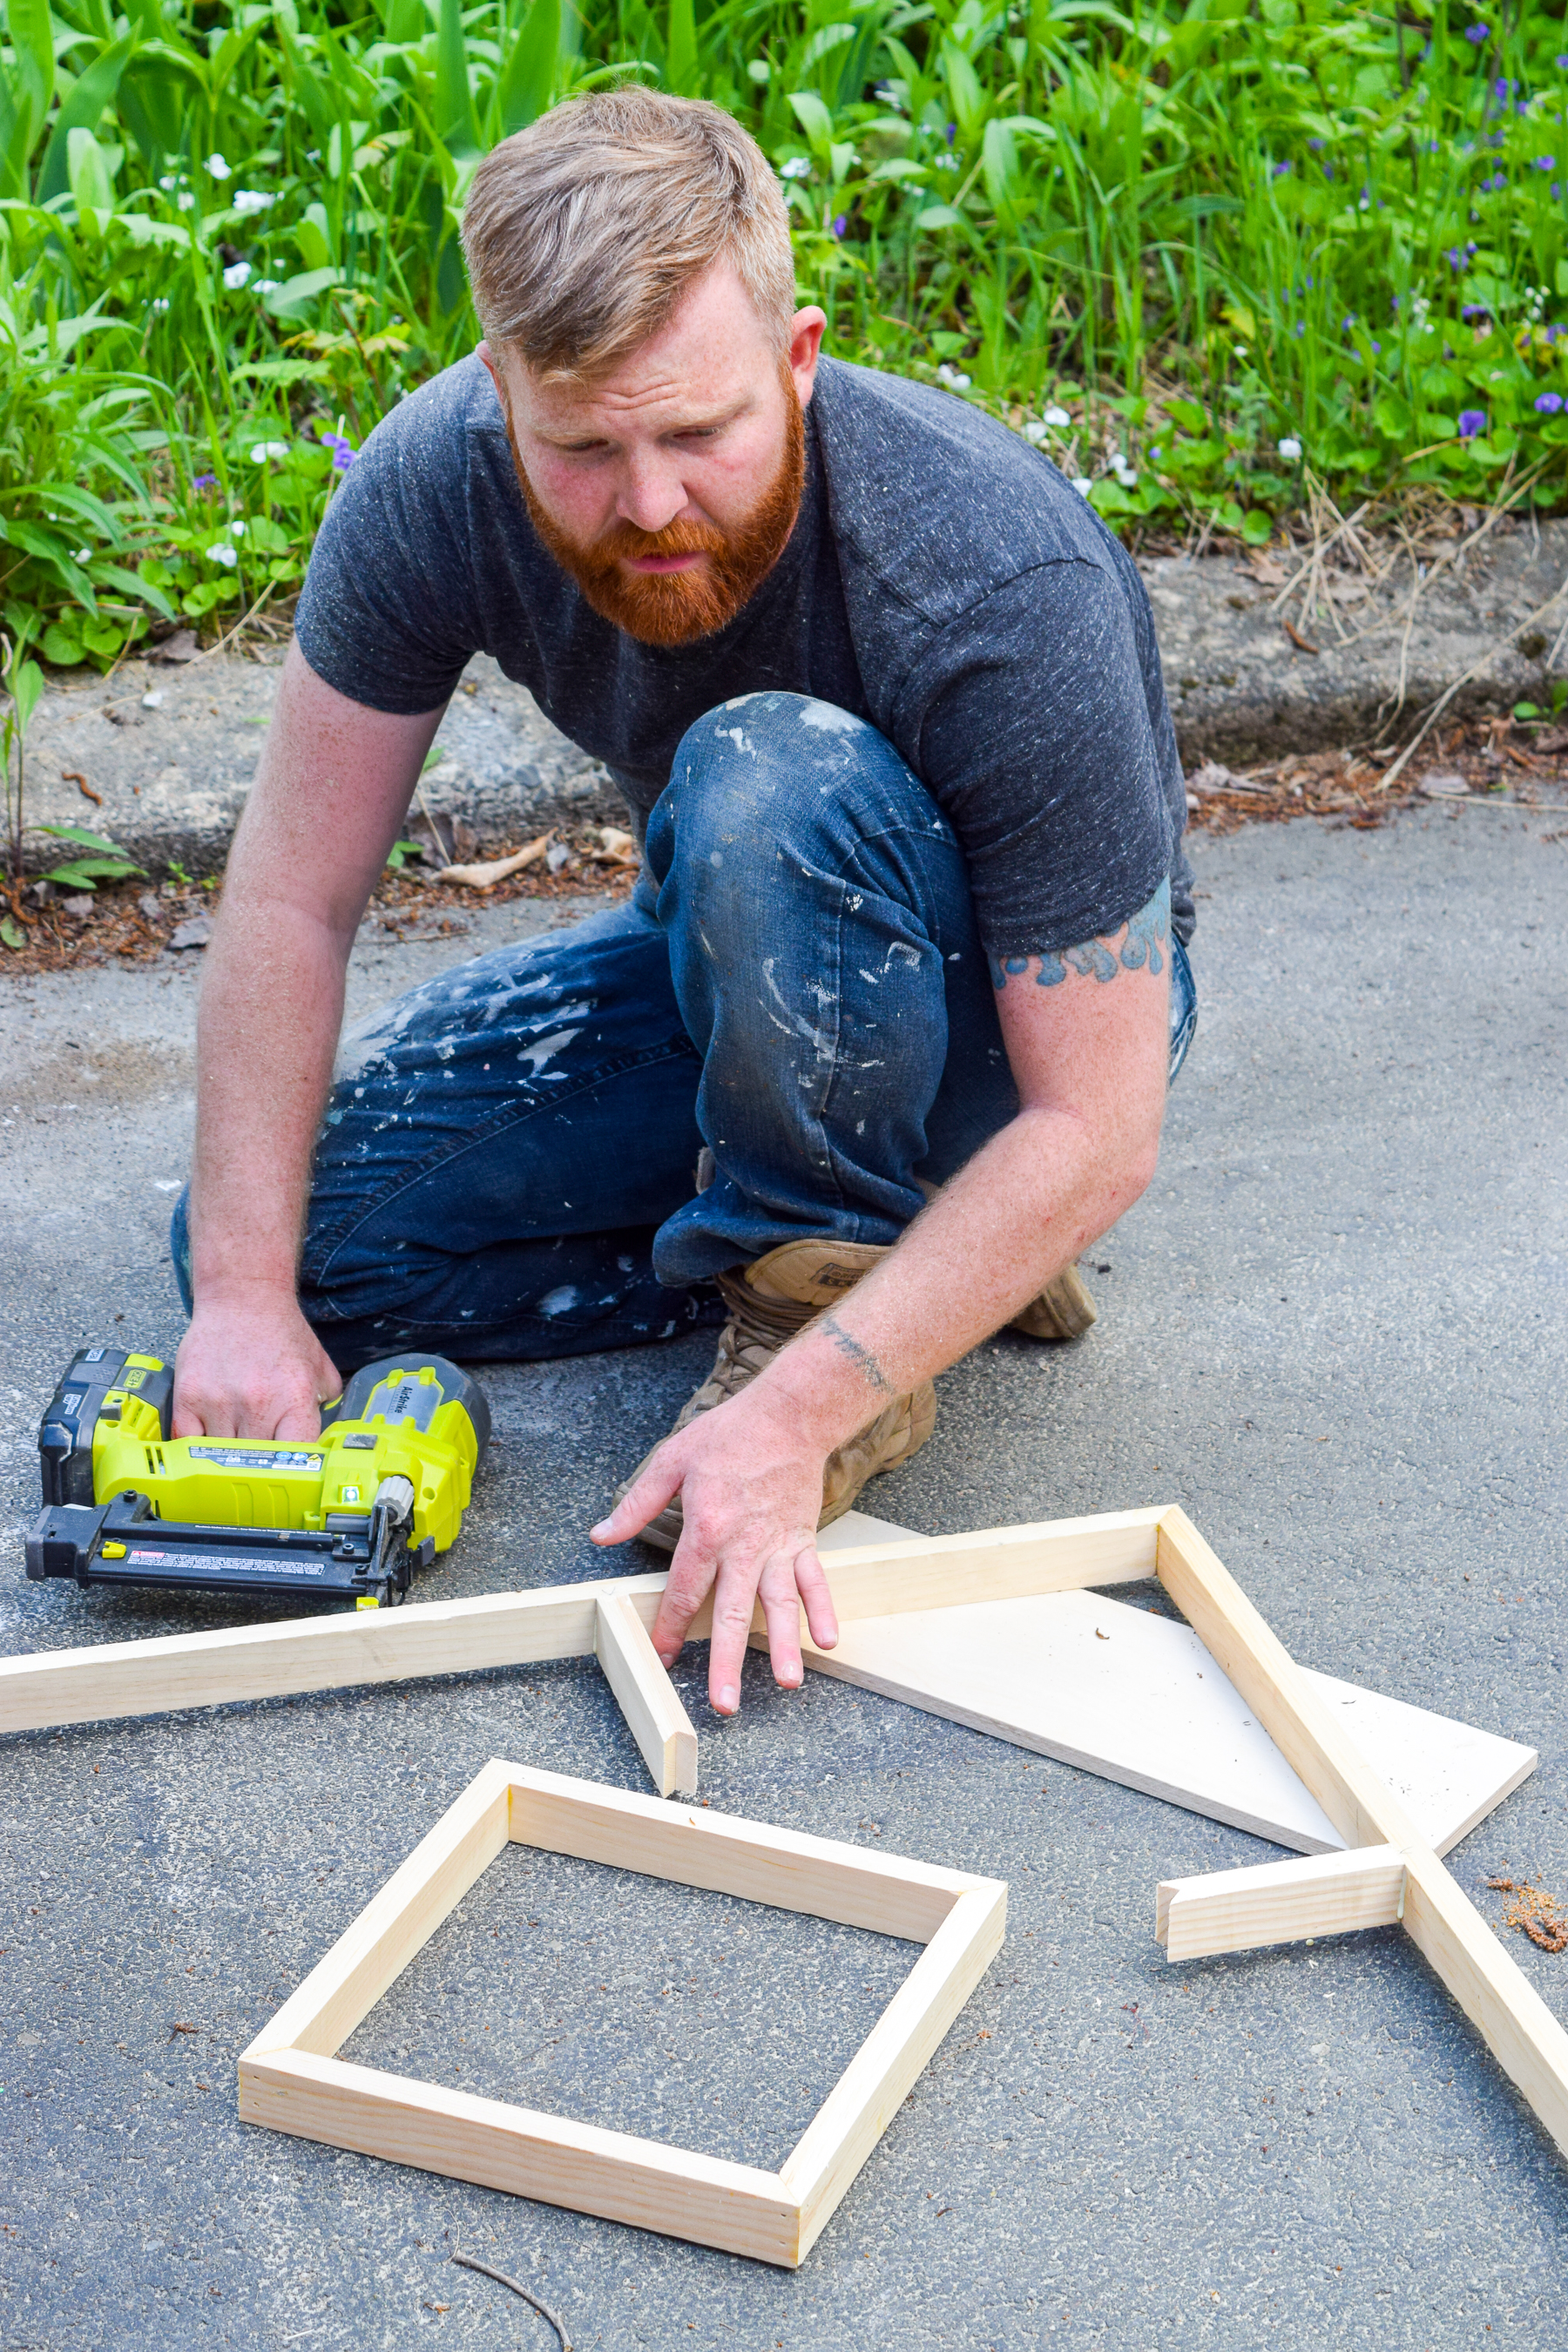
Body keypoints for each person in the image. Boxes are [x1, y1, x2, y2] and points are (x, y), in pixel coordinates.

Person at [171, 86, 1197, 1722]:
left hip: (1030, 1033)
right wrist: (238, 1295)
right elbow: (292, 899)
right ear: (499, 389)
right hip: (741, 955)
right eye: (580, 446)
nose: (648, 505)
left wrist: (789, 1419)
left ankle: (850, 1294)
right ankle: (922, 1249)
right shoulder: (433, 487)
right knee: (311, 1256)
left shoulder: (995, 575)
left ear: (796, 360)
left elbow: (1105, 1120)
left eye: (699, 433)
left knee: (759, 774)